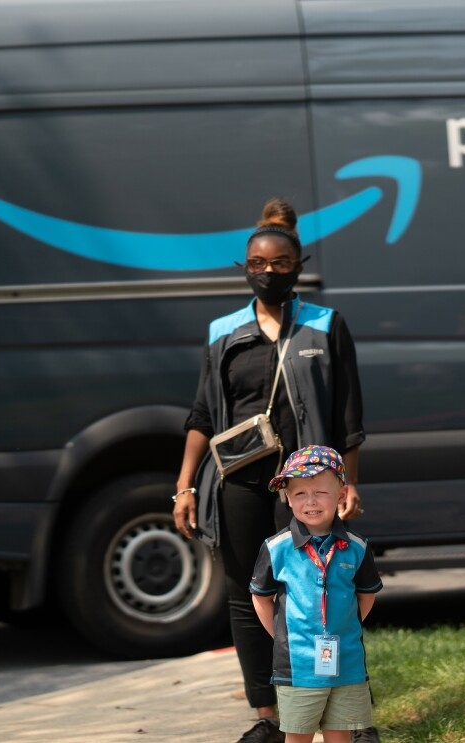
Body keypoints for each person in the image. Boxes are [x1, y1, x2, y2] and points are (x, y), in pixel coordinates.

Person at [173, 197, 370, 743]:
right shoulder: (223, 331)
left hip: (308, 485)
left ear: (299, 264)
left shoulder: (326, 326)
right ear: (245, 267)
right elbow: (201, 415)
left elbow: (348, 417)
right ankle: (266, 714)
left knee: (323, 585)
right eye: (257, 264)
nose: (267, 273)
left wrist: (349, 481)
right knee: (246, 590)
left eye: (279, 264)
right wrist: (185, 486)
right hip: (238, 481)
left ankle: (341, 711)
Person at [249, 445, 383, 743]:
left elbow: (366, 595)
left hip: (346, 663)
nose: (310, 502)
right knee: (298, 736)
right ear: (287, 498)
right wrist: (280, 635)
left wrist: (344, 626)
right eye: (299, 494)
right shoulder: (276, 548)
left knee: (340, 735)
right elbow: (260, 597)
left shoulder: (357, 547)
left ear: (341, 494)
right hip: (297, 666)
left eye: (320, 492)